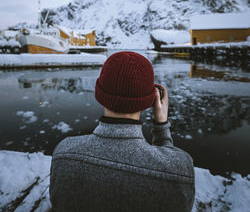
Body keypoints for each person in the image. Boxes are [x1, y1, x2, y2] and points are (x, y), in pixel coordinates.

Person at [49, 51, 195, 212]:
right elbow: (168, 164)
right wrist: (161, 125)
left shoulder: (63, 154)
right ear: (152, 99)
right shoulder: (180, 168)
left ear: (100, 94)